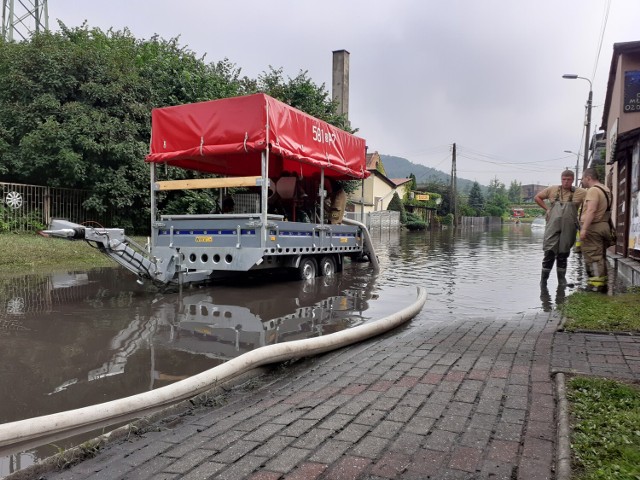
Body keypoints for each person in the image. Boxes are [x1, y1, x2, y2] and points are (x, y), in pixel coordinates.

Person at [534, 170, 586, 286]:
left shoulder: (581, 192)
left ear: (573, 180)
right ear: (561, 179)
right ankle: (543, 281)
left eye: (568, 179)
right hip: (553, 225)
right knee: (549, 251)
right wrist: (547, 209)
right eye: (564, 179)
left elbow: (590, 203)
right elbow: (537, 197)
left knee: (564, 252)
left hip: (569, 226)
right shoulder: (552, 189)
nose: (566, 182)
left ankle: (561, 281)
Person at [579, 168, 613, 290]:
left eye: (583, 178)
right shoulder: (605, 189)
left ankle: (596, 286)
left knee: (593, 256)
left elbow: (591, 210)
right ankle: (601, 284)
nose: (582, 181)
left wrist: (584, 229)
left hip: (594, 227)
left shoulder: (593, 190)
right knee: (600, 256)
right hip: (604, 225)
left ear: (588, 178)